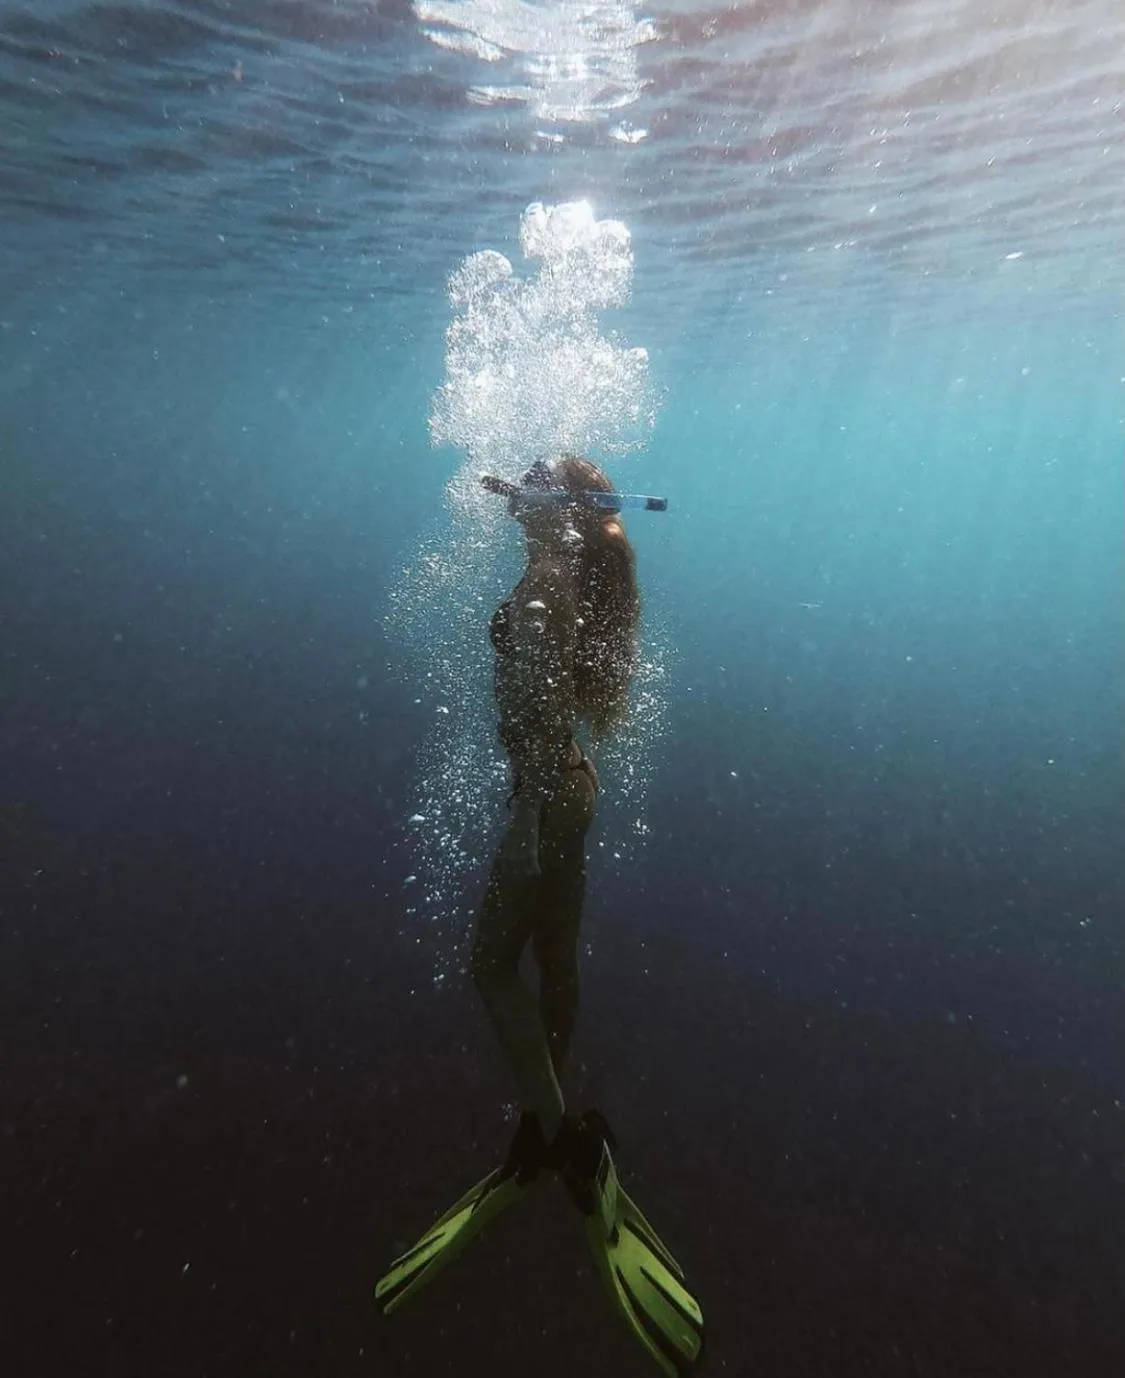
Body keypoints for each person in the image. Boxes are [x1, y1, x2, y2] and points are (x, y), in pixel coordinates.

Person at [376, 458, 703, 1378]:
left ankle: (562, 1142)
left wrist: (522, 815)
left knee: (489, 966)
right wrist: (520, 493)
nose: (511, 492)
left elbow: (531, 693)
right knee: (554, 960)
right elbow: (552, 681)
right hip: (575, 787)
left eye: (528, 483)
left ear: (557, 507)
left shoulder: (541, 587)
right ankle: (549, 1120)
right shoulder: (568, 566)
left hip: (543, 797)